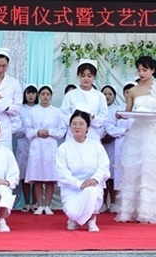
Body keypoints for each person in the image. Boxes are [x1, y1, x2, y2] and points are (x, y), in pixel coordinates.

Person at [114, 56, 156, 224]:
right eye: (139, 70)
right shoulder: (133, 91)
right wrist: (120, 115)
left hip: (153, 133)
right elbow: (128, 112)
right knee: (133, 170)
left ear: (152, 70)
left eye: (145, 70)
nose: (141, 73)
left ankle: (153, 211)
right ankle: (129, 211)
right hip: (136, 133)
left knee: (152, 169)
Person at [56, 110, 110, 232]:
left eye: (81, 124)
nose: (77, 127)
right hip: (72, 188)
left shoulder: (96, 146)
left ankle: (91, 219)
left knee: (91, 191)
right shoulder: (63, 148)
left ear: (87, 128)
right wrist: (79, 184)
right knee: (72, 212)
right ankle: (73, 218)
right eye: (74, 124)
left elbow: (103, 166)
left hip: (92, 185)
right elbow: (62, 172)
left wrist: (94, 179)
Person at [25, 84, 65, 215]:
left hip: (51, 145)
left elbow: (61, 130)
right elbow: (27, 130)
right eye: (43, 94)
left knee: (50, 177)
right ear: (39, 96)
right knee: (37, 176)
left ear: (51, 96)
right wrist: (37, 132)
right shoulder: (33, 111)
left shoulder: (57, 112)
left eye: (48, 94)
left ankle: (47, 205)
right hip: (37, 145)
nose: (45, 97)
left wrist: (49, 132)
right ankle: (39, 205)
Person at [60, 59, 108, 143]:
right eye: (83, 75)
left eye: (89, 76)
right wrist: (76, 119)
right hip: (73, 136)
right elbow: (63, 115)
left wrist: (92, 118)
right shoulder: (70, 95)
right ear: (78, 75)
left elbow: (104, 117)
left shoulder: (100, 96)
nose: (86, 78)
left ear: (94, 77)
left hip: (92, 135)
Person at [105, 82, 136, 193]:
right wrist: (124, 131)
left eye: (132, 92)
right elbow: (109, 127)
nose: (129, 95)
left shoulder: (141, 109)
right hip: (120, 145)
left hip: (136, 145)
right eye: (127, 92)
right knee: (119, 175)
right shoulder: (116, 110)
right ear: (123, 94)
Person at [17, 84, 37, 211]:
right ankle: (26, 202)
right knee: (24, 173)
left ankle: (35, 202)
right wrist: (27, 131)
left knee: (35, 173)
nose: (30, 95)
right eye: (28, 93)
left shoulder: (39, 109)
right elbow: (16, 127)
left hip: (37, 143)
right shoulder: (20, 109)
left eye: (33, 93)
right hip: (23, 143)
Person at [100, 84, 119, 212]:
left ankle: (112, 202)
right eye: (104, 94)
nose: (107, 96)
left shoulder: (117, 110)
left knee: (112, 174)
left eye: (110, 94)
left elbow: (119, 126)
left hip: (113, 145)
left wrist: (111, 135)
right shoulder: (97, 109)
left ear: (114, 96)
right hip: (100, 145)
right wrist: (101, 137)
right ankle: (102, 202)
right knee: (101, 175)